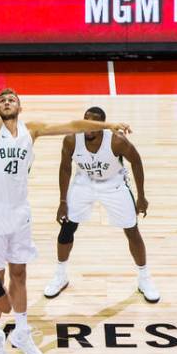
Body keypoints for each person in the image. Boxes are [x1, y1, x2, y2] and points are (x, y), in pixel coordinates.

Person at [0, 28, 131, 354]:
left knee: (20, 275)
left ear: (21, 106)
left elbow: (72, 123)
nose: (7, 99)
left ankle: (22, 332)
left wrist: (109, 124)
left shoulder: (33, 129)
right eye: (3, 98)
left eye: (12, 97)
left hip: (21, 213)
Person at [44, 106, 159, 302]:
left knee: (131, 230)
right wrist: (63, 201)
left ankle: (144, 278)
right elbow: (65, 168)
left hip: (113, 183)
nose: (89, 126)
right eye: (86, 120)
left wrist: (141, 196)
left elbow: (137, 162)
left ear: (102, 126)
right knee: (67, 227)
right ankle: (60, 275)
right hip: (84, 182)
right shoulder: (72, 139)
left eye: (94, 122)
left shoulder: (117, 141)